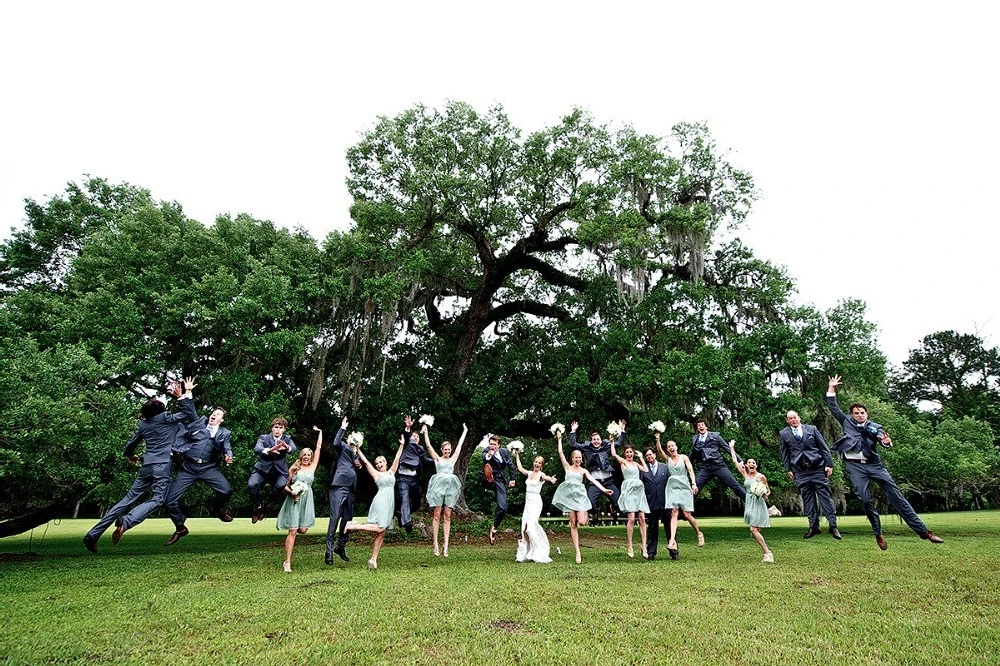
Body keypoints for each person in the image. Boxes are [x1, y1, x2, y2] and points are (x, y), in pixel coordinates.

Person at [827, 375, 944, 549]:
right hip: (855, 467)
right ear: (852, 415)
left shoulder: (874, 426)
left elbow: (881, 437)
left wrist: (885, 442)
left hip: (874, 465)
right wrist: (831, 388)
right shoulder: (846, 421)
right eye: (856, 413)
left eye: (862, 413)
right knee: (866, 501)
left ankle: (924, 532)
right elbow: (833, 407)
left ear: (867, 414)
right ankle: (878, 533)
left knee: (897, 497)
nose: (859, 415)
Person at [83, 380, 191, 551]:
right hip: (162, 466)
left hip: (147, 465)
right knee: (158, 500)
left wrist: (130, 455)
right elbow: (188, 412)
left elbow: (130, 444)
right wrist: (181, 395)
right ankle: (126, 522)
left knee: (126, 500)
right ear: (161, 411)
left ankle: (93, 535)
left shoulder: (144, 424)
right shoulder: (166, 418)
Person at [162, 397, 235, 546]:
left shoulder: (224, 433)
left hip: (208, 468)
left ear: (221, 420)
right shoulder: (198, 425)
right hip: (188, 468)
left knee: (226, 491)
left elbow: (226, 446)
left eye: (218, 415)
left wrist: (229, 456)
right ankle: (180, 527)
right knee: (169, 501)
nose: (214, 415)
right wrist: (186, 394)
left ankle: (217, 510)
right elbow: (191, 411)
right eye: (213, 413)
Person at [551, 431, 613, 563]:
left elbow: (594, 481)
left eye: (580, 458)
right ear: (572, 459)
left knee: (582, 522)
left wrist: (604, 489)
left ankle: (586, 516)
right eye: (576, 458)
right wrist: (559, 438)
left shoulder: (584, 470)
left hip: (580, 498)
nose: (578, 460)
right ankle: (577, 552)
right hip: (569, 498)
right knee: (573, 524)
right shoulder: (567, 468)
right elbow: (560, 453)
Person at [778, 410, 841, 540]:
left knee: (825, 497)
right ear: (787, 421)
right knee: (807, 499)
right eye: (790, 418)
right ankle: (813, 526)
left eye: (794, 417)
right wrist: (788, 468)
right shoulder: (784, 434)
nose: (793, 420)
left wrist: (829, 464)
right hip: (800, 471)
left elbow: (823, 447)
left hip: (817, 468)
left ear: (799, 418)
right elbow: (785, 453)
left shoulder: (812, 429)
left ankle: (833, 526)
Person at [344, 438, 406, 569]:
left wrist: (401, 445)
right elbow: (365, 462)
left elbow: (397, 458)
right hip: (381, 501)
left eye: (381, 462)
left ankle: (373, 560)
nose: (378, 464)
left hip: (389, 503)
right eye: (377, 463)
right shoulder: (376, 474)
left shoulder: (391, 472)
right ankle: (353, 526)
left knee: (381, 533)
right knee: (380, 528)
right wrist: (358, 449)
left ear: (385, 463)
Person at [275, 426, 325, 572]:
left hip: (307, 500)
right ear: (301, 456)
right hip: (295, 500)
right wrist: (292, 492)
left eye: (309, 455)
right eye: (304, 454)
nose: (306, 456)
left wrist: (320, 432)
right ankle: (287, 562)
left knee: (302, 530)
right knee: (293, 530)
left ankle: (296, 532)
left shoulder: (313, 467)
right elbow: (283, 485)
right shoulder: (294, 469)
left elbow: (319, 448)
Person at [422, 422, 468, 557]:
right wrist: (425, 433)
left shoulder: (453, 459)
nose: (447, 451)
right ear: (442, 450)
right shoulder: (437, 459)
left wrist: (464, 431)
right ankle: (435, 543)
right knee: (437, 514)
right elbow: (429, 446)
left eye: (449, 450)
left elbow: (460, 445)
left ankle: (446, 544)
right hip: (438, 487)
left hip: (450, 488)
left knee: (447, 515)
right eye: (445, 449)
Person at [656, 435, 703, 560]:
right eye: (669, 447)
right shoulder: (667, 459)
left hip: (684, 485)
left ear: (676, 447)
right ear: (667, 450)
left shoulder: (684, 457)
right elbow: (659, 450)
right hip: (672, 487)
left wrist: (693, 483)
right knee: (674, 512)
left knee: (687, 515)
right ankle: (672, 541)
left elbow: (691, 470)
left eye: (672, 446)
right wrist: (657, 439)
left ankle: (699, 533)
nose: (671, 448)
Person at [729, 441, 774, 563]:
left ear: (756, 466)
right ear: (747, 466)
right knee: (755, 530)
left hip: (758, 502)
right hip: (749, 502)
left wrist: (763, 493)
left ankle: (767, 553)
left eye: (753, 463)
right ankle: (770, 513)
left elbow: (768, 491)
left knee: (753, 530)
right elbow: (734, 461)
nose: (751, 464)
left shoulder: (761, 477)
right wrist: (732, 447)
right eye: (749, 463)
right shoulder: (745, 474)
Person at [569, 420, 623, 519]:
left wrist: (622, 430)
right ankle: (594, 512)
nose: (596, 441)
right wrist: (573, 431)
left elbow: (619, 443)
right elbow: (574, 445)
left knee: (618, 501)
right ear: (591, 441)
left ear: (601, 440)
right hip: (594, 483)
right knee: (590, 504)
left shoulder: (607, 445)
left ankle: (613, 508)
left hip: (608, 481)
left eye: (598, 439)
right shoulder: (586, 447)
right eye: (594, 439)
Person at [248, 418, 297, 523]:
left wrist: (287, 447)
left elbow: (293, 449)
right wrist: (268, 450)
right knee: (252, 484)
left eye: (280, 427)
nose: (278, 430)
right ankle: (257, 507)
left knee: (280, 485)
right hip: (262, 470)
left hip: (279, 472)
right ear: (272, 428)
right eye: (276, 427)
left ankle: (267, 506)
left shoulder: (287, 438)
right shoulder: (264, 438)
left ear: (284, 429)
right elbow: (257, 448)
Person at [513, 450, 557, 563]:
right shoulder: (529, 473)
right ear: (533, 463)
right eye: (535, 462)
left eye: (539, 463)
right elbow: (520, 468)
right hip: (528, 503)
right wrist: (517, 454)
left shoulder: (540, 475)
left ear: (541, 465)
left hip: (536, 502)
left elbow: (546, 477)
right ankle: (527, 552)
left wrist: (550, 479)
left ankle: (539, 552)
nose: (536, 464)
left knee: (531, 528)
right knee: (524, 529)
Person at [325, 417, 359, 564]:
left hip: (351, 488)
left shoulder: (355, 454)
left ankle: (341, 546)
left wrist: (358, 465)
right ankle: (329, 551)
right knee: (335, 518)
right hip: (339, 486)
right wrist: (343, 427)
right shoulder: (343, 447)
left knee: (347, 519)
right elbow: (335, 442)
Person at [690, 418, 746, 502]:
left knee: (735, 486)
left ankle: (754, 505)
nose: (701, 427)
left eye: (702, 425)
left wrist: (740, 461)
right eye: (699, 425)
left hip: (718, 465)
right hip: (705, 468)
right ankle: (684, 512)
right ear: (697, 428)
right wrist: (685, 464)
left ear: (706, 427)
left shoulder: (715, 436)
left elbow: (727, 449)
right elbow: (693, 454)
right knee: (694, 489)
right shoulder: (695, 439)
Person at [611, 439, 648, 559]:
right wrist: (612, 440)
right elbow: (613, 454)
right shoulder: (623, 463)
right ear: (625, 454)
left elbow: (646, 470)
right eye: (627, 452)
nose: (629, 454)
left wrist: (641, 457)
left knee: (642, 518)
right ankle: (630, 545)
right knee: (631, 518)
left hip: (639, 491)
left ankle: (644, 545)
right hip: (629, 491)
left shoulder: (636, 464)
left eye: (631, 452)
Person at [397, 415, 435, 532]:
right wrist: (408, 428)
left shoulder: (420, 449)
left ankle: (401, 514)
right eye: (414, 435)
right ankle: (407, 522)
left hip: (414, 479)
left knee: (417, 503)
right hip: (403, 478)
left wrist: (439, 460)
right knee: (404, 498)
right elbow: (406, 436)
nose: (415, 437)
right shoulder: (406, 444)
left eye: (417, 437)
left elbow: (426, 461)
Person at [481, 434, 516, 545]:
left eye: (494, 444)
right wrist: (489, 456)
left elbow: (510, 465)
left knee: (503, 507)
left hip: (500, 481)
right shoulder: (486, 451)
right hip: (489, 479)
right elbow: (484, 459)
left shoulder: (504, 452)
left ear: (498, 445)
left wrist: (512, 479)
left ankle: (494, 528)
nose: (492, 446)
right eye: (490, 444)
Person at [640, 446, 670, 560]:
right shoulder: (643, 469)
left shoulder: (665, 467)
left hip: (665, 501)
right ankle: (651, 552)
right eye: (647, 456)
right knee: (652, 528)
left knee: (669, 528)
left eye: (650, 454)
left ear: (655, 455)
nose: (649, 457)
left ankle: (674, 551)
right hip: (651, 502)